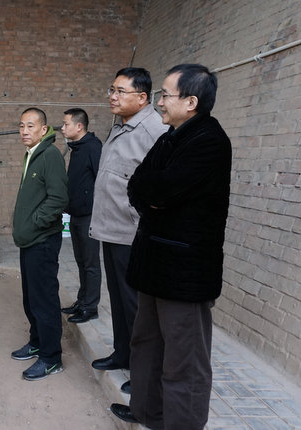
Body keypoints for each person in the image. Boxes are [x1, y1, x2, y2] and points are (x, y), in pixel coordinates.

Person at [109, 64, 232, 429]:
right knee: (146, 345)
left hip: (183, 273)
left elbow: (160, 190)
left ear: (191, 101)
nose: (160, 102)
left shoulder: (209, 141)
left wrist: (154, 196)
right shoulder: (170, 137)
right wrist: (153, 197)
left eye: (165, 95)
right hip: (153, 265)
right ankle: (148, 412)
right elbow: (138, 186)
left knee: (184, 360)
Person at [89, 68, 168, 398]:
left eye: (121, 91)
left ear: (142, 97)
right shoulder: (121, 125)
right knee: (120, 301)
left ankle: (145, 372)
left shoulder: (155, 131)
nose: (113, 96)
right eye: (112, 90)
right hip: (112, 229)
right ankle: (122, 353)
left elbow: (162, 188)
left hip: (133, 234)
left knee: (137, 307)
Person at [9, 107, 68, 381]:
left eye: (30, 126)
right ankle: (36, 342)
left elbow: (58, 199)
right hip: (30, 241)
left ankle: (51, 357)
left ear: (44, 129)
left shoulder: (50, 155)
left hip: (42, 240)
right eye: (22, 126)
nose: (24, 131)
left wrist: (34, 223)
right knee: (31, 297)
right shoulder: (32, 153)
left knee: (44, 299)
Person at [59, 108, 102, 324]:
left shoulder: (93, 147)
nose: (62, 128)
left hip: (89, 215)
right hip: (76, 214)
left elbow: (101, 179)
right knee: (81, 260)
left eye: (66, 124)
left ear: (79, 126)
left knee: (90, 263)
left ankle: (90, 307)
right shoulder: (76, 147)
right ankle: (82, 300)